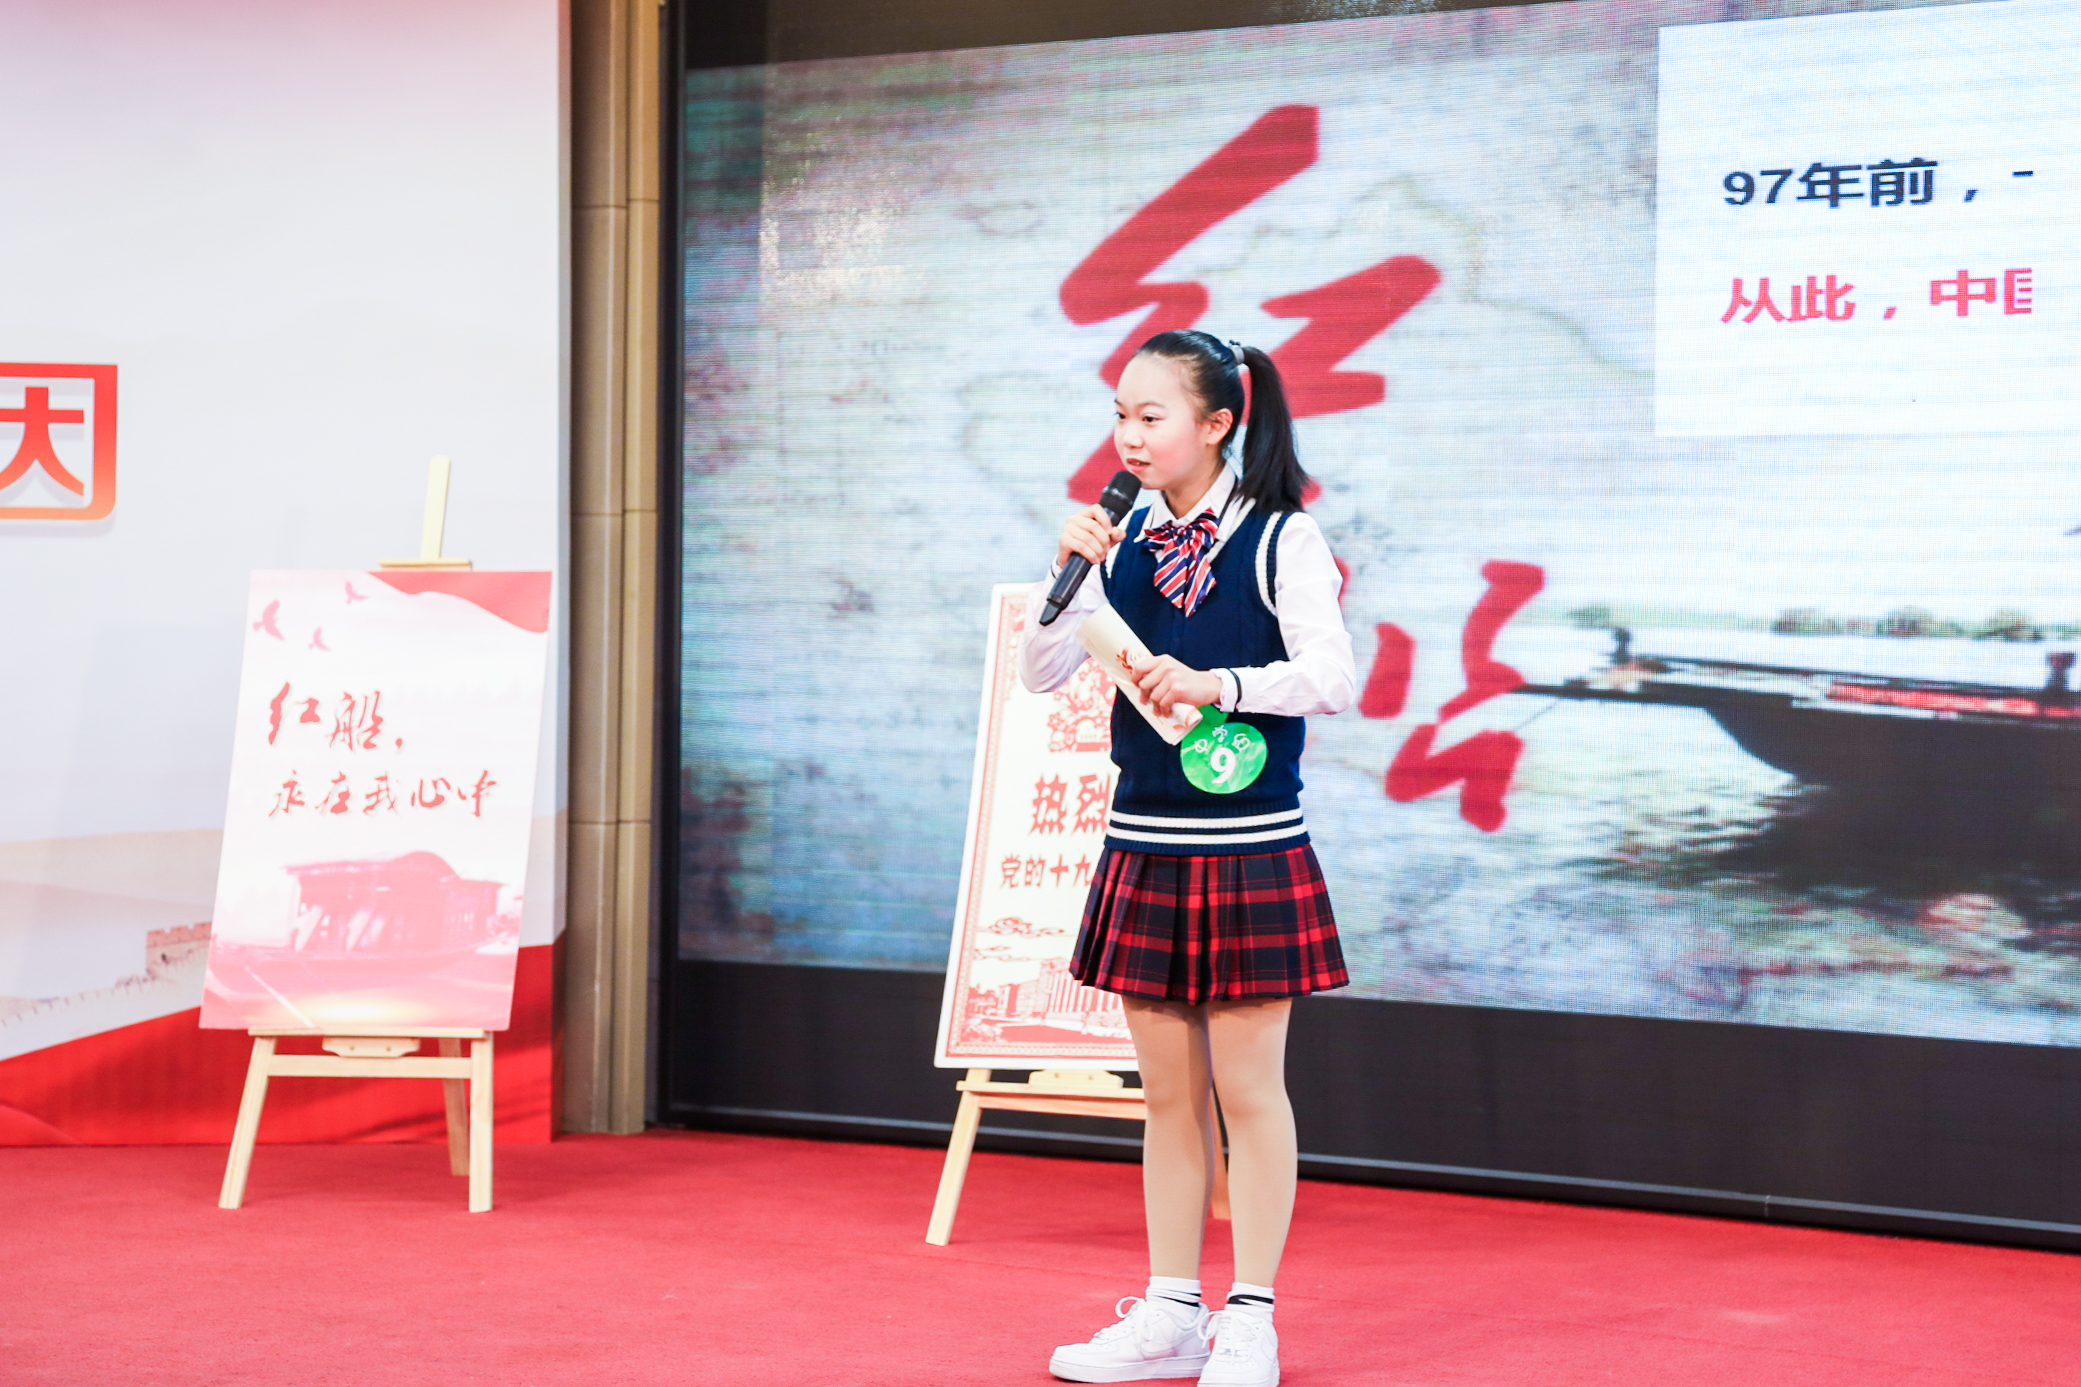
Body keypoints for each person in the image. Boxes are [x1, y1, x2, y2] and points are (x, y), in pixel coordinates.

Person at [1019, 329, 1356, 1387]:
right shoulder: (1112, 541)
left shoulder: (1280, 537)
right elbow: (1039, 670)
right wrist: (1067, 568)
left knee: (1249, 1092)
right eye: (1119, 415)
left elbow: (1330, 678)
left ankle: (1249, 1317)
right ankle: (1171, 1311)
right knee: (1167, 1096)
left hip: (1250, 844)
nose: (1128, 436)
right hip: (1145, 841)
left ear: (1216, 424)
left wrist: (1222, 686)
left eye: (1150, 415)